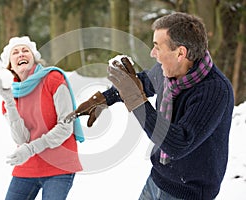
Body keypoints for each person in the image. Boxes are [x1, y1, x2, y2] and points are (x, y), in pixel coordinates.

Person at [65, 12, 234, 200]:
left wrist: (136, 101)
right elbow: (143, 82)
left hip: (188, 194)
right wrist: (103, 100)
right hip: (157, 180)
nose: (153, 54)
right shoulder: (169, 71)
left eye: (157, 47)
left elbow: (177, 144)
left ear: (180, 53)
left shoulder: (215, 91)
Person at [0, 36, 83, 200]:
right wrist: (10, 102)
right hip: (28, 166)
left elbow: (65, 126)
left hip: (59, 165)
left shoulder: (53, 79)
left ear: (33, 57)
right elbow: (22, 138)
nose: (21, 54)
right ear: (10, 65)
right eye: (16, 52)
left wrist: (30, 149)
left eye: (25, 50)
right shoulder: (9, 98)